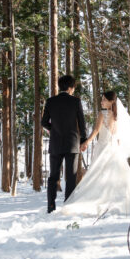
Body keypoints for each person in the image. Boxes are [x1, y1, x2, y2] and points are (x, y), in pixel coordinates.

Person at [58, 90, 130, 216]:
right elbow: (117, 135)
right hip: (113, 149)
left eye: (104, 100)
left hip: (102, 148)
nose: (102, 102)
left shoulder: (103, 113)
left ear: (112, 102)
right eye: (102, 99)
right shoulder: (117, 116)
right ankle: (113, 200)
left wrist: (86, 142)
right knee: (114, 176)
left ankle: (100, 200)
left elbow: (96, 130)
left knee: (99, 175)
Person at [41, 74, 88, 213]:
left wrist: (53, 129)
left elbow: (43, 122)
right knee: (71, 177)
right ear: (70, 87)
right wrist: (83, 140)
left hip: (55, 144)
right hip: (72, 144)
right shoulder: (75, 101)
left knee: (53, 176)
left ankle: (51, 206)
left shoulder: (50, 101)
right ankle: (68, 206)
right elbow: (82, 123)